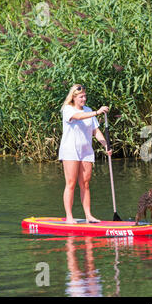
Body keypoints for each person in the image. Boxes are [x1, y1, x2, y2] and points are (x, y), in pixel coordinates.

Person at [58, 84, 112, 224]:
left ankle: (88, 215)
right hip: (70, 150)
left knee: (85, 184)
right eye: (81, 97)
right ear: (74, 97)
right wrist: (97, 112)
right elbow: (79, 116)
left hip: (86, 151)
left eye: (85, 96)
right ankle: (69, 217)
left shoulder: (88, 110)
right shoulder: (68, 110)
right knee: (71, 183)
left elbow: (96, 131)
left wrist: (106, 145)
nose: (84, 99)